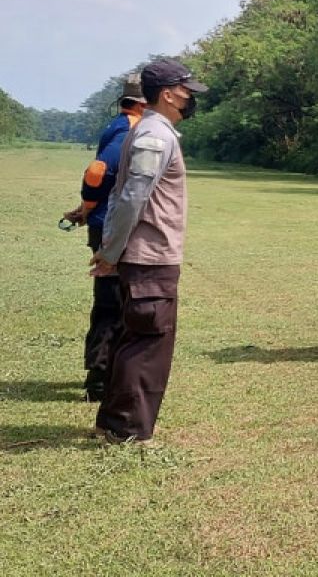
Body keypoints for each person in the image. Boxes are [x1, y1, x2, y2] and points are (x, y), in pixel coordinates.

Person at [89, 59, 207, 444]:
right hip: (150, 256)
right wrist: (111, 252)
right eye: (187, 91)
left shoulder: (153, 132)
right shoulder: (155, 136)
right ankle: (126, 429)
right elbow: (131, 198)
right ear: (168, 93)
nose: (191, 98)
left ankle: (114, 423)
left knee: (135, 338)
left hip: (144, 256)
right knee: (147, 343)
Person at [63, 73, 146, 402]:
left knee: (112, 297)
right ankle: (99, 378)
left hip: (105, 220)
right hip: (112, 224)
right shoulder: (130, 128)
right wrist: (89, 206)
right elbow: (98, 171)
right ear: (144, 101)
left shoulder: (118, 123)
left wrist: (87, 208)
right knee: (113, 299)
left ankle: (105, 371)